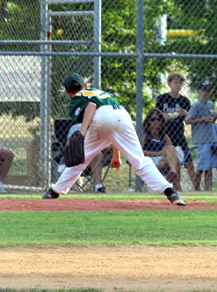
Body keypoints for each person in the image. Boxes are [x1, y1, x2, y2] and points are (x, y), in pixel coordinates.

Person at [42, 73, 186, 206]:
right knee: (140, 161)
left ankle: (54, 191)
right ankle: (171, 192)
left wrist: (82, 132)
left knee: (81, 159)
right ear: (85, 86)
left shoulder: (77, 98)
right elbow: (112, 124)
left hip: (100, 118)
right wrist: (116, 155)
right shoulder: (100, 93)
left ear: (68, 92)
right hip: (122, 117)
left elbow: (91, 107)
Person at [155, 72, 194, 191]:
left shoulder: (184, 101)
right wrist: (164, 117)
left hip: (179, 135)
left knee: (189, 163)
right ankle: (176, 187)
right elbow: (156, 116)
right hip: (166, 134)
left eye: (181, 82)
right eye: (176, 82)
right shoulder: (162, 99)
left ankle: (196, 188)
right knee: (174, 162)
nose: (179, 84)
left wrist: (185, 114)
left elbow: (189, 119)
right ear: (169, 83)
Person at [185, 79, 217, 191]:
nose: (207, 93)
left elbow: (211, 121)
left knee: (209, 167)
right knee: (201, 166)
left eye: (209, 90)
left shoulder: (211, 104)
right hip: (201, 139)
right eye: (204, 90)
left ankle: (207, 189)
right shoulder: (196, 105)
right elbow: (187, 120)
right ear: (199, 91)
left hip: (210, 137)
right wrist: (202, 119)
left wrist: (216, 116)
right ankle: (197, 188)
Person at [67, 122, 114, 193]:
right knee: (96, 153)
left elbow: (110, 146)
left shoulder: (102, 128)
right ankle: (98, 185)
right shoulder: (77, 127)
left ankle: (98, 186)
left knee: (98, 153)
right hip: (78, 158)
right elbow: (69, 146)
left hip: (97, 160)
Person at [142, 109, 183, 186]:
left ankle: (172, 172)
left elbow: (171, 150)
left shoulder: (164, 136)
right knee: (175, 160)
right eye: (153, 119)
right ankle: (176, 186)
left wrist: (164, 153)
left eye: (159, 119)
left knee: (171, 148)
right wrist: (158, 153)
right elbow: (140, 151)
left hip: (163, 161)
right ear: (148, 121)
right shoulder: (145, 134)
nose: (156, 122)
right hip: (150, 160)